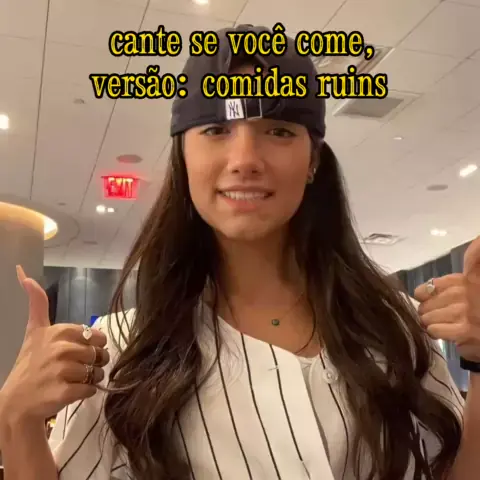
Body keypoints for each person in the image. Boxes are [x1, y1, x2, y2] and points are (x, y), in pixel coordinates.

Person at [1, 24, 480, 480]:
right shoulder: (121, 352)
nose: (246, 159)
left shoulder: (395, 326)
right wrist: (17, 419)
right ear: (182, 154)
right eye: (216, 129)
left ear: (313, 160)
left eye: (279, 131)